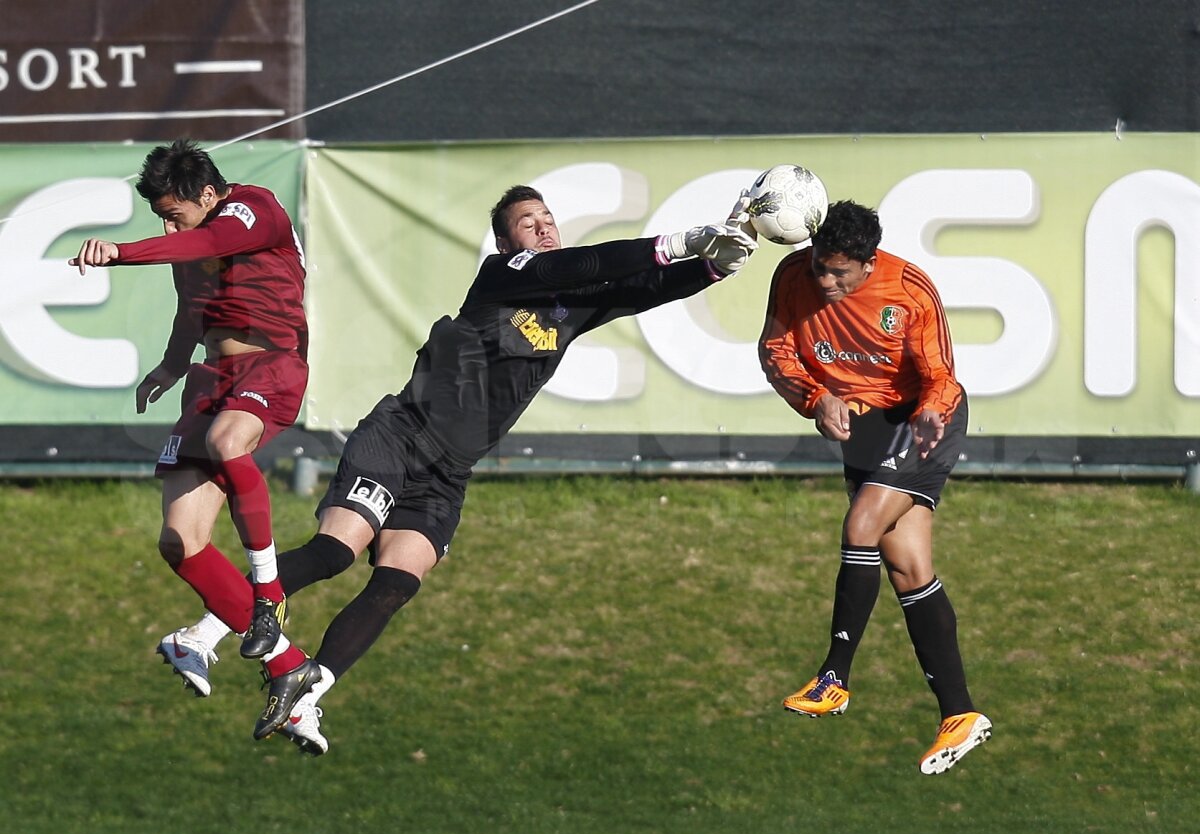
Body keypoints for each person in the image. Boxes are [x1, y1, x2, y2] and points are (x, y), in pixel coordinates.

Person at [158, 184, 758, 751]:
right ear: (504, 244)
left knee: (396, 582)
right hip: (400, 436)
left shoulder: (571, 309)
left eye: (548, 218)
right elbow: (588, 265)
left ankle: (307, 694)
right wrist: (679, 241)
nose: (543, 227)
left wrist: (714, 265)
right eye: (528, 222)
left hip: (449, 470)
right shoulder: (503, 277)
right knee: (336, 552)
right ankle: (204, 632)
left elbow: (640, 287)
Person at [70, 139, 317, 733]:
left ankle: (268, 592)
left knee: (231, 442)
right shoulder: (191, 238)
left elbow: (211, 241)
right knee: (180, 542)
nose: (166, 222)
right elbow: (192, 310)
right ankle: (290, 667)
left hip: (271, 366)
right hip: (211, 380)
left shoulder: (253, 209)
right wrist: (169, 365)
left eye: (171, 211)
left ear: (208, 193)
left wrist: (121, 253)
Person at [757, 200, 990, 775]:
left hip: (921, 421)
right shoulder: (792, 276)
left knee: (861, 525)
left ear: (869, 263)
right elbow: (775, 350)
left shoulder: (909, 290)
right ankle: (959, 713)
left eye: (840, 272)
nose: (827, 281)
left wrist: (933, 412)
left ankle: (835, 674)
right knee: (908, 567)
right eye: (820, 267)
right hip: (863, 429)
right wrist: (816, 400)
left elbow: (941, 376)